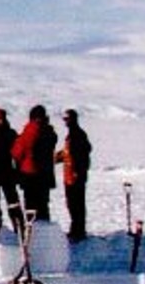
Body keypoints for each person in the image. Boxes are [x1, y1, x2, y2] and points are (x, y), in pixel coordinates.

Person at [12, 104, 58, 226]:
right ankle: (45, 233)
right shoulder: (50, 132)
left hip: (30, 174)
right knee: (43, 204)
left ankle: (32, 233)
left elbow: (17, 152)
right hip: (45, 174)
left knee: (31, 205)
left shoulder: (28, 131)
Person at [55, 108, 93, 242]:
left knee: (76, 204)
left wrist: (78, 172)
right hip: (70, 175)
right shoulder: (74, 134)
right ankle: (76, 229)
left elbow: (81, 154)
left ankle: (78, 231)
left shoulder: (77, 135)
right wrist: (55, 158)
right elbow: (67, 153)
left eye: (67, 119)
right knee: (73, 204)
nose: (65, 122)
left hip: (74, 176)